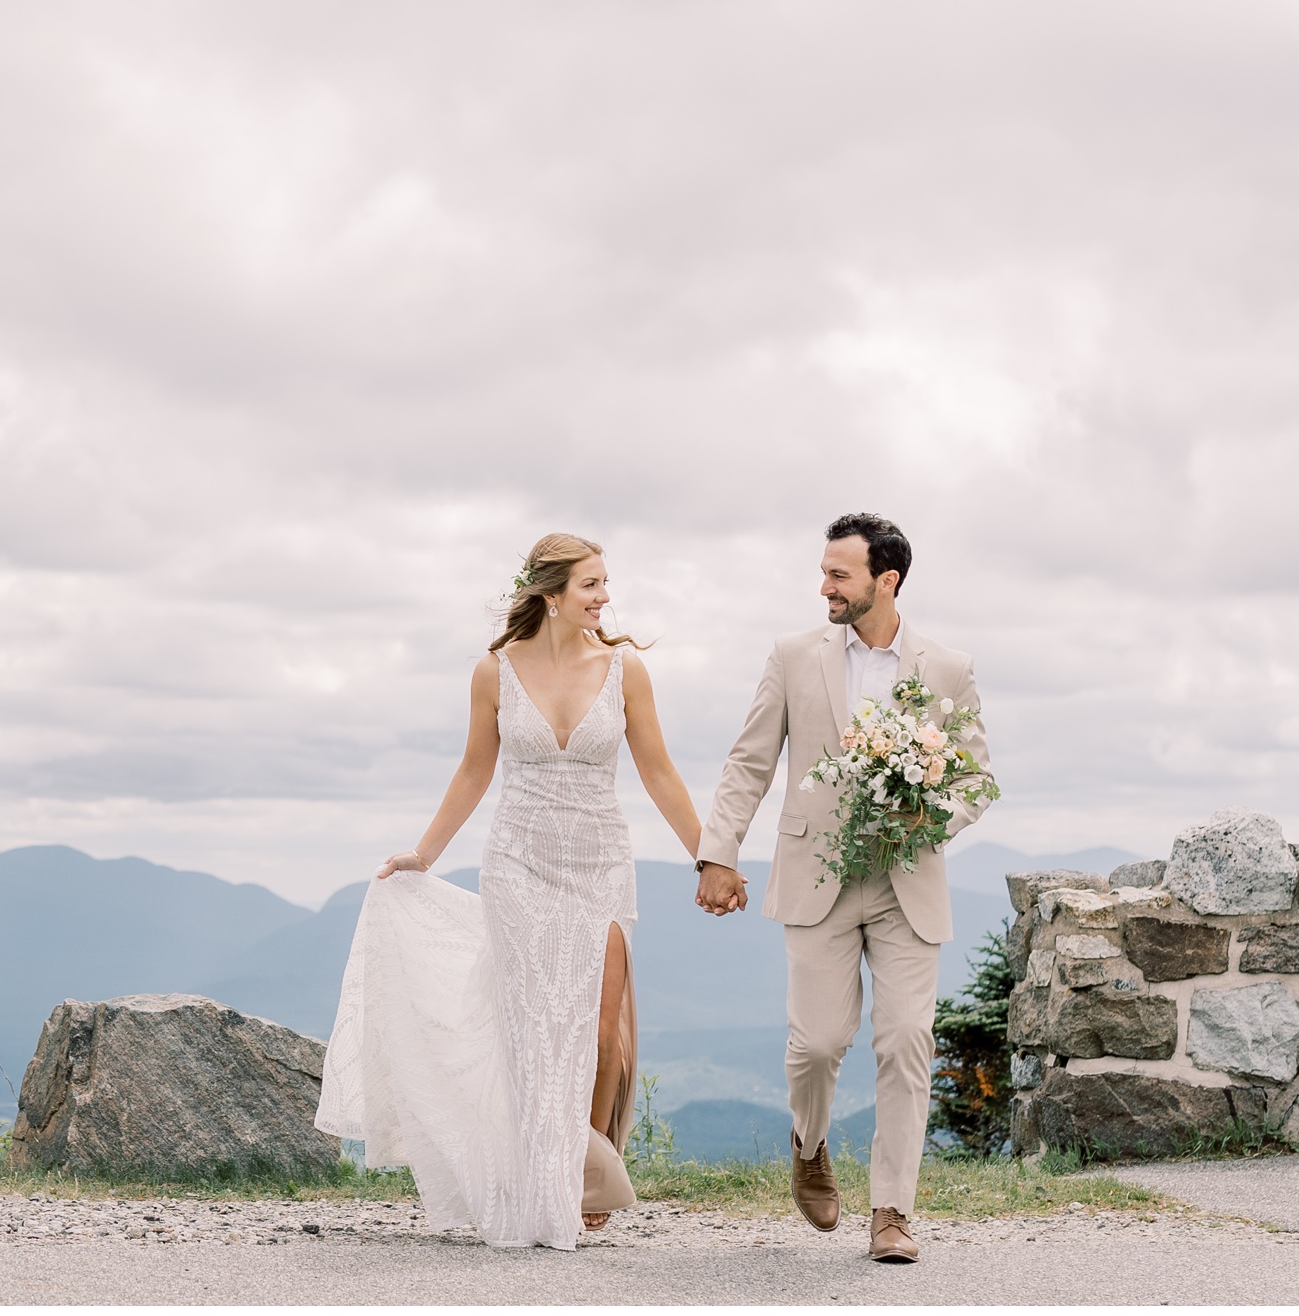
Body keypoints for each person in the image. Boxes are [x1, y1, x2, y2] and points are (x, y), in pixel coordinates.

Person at [316, 533, 704, 1250]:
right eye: (592, 584)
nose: (606, 596)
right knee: (530, 1031)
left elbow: (659, 773)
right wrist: (424, 854)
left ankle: (584, 1173)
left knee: (597, 1031)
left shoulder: (626, 670)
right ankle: (546, 1183)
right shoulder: (493, 672)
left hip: (600, 864)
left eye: (606, 582)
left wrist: (711, 858)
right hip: (518, 865)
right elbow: (473, 771)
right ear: (551, 595)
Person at [692, 513, 991, 1265]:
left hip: (906, 880)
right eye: (824, 572)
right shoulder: (792, 656)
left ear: (885, 582)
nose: (823, 586)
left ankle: (892, 1211)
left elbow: (978, 777)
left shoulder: (947, 668)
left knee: (905, 1042)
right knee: (819, 1045)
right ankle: (810, 1141)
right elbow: (749, 761)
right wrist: (716, 854)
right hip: (815, 877)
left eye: (838, 574)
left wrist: (931, 816)